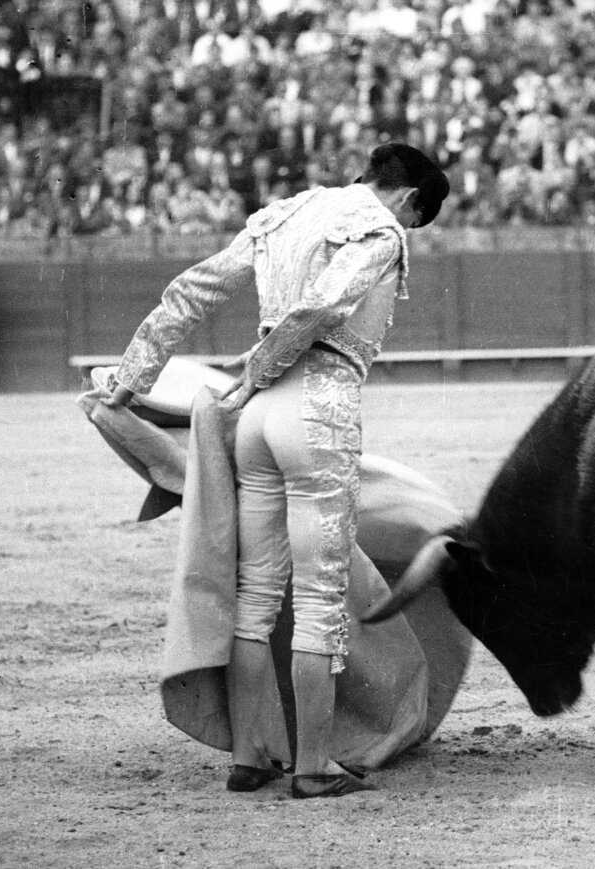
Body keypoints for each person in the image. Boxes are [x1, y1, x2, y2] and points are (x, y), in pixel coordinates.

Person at [97, 143, 450, 798]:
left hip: (257, 421)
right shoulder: (381, 229)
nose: (408, 230)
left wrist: (134, 372)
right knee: (319, 600)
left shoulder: (283, 215)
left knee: (255, 595)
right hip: (316, 411)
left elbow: (194, 288)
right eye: (414, 220)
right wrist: (257, 370)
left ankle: (251, 755)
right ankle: (313, 766)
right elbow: (321, 308)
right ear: (407, 199)